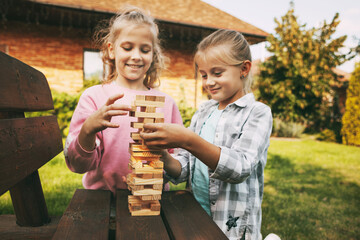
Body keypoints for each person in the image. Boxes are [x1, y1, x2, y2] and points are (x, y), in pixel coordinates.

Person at [141, 29, 274, 240]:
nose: (209, 81)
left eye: (217, 73)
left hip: (231, 228)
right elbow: (186, 167)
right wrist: (164, 157)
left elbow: (240, 167)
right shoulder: (203, 112)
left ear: (244, 68)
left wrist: (188, 139)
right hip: (195, 217)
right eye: (204, 75)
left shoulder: (257, 113)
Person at [64, 6, 182, 194]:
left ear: (153, 55)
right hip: (103, 199)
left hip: (151, 200)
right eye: (127, 48)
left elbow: (178, 165)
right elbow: (79, 165)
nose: (136, 56)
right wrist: (87, 130)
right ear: (112, 50)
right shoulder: (94, 98)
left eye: (144, 50)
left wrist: (157, 169)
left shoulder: (167, 104)